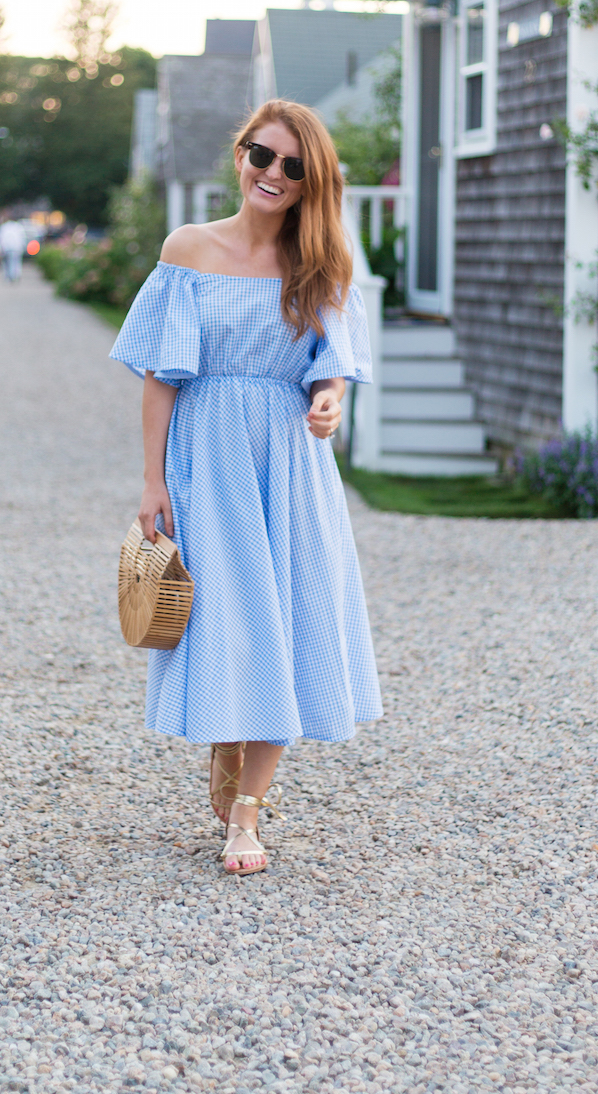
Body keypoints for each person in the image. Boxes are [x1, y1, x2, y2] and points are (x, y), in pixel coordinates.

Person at [109, 99, 382, 876]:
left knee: (284, 623)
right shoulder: (188, 250)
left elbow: (331, 369)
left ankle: (247, 816)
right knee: (228, 618)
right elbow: (161, 379)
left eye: (294, 167)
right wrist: (152, 480)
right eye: (264, 156)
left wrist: (329, 398)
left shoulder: (321, 261)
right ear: (240, 156)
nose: (275, 174)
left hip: (289, 464)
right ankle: (231, 744)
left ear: (310, 182)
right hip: (207, 458)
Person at [0, 214, 27, 283]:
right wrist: (22, 246)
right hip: (16, 248)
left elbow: (0, 238)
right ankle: (15, 275)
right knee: (16, 262)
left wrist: (0, 248)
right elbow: (22, 238)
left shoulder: (3, 227)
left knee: (7, 263)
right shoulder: (18, 227)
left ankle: (9, 276)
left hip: (7, 248)